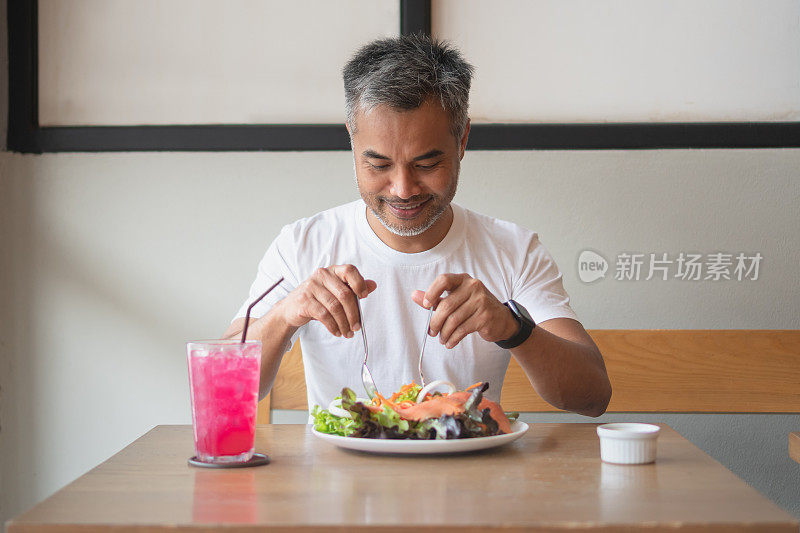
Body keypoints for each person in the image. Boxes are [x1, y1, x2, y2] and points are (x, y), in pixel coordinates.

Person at [224, 35, 612, 417]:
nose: (403, 189)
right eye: (378, 165)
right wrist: (286, 313)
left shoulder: (513, 250)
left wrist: (513, 328)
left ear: (462, 140)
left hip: (467, 476)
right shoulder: (302, 246)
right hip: (338, 479)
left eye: (426, 164)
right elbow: (223, 393)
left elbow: (593, 397)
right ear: (351, 140)